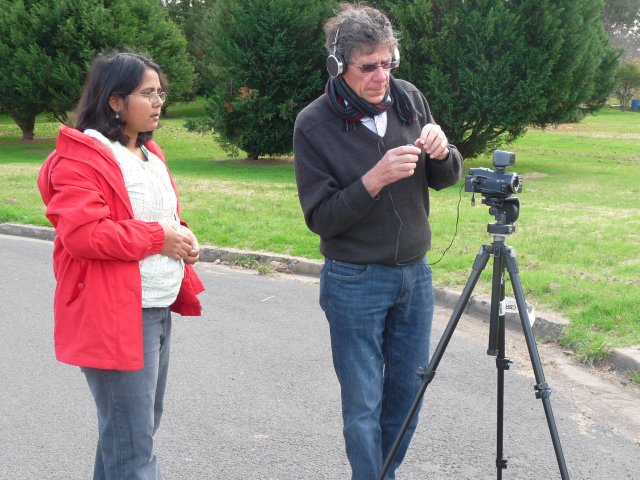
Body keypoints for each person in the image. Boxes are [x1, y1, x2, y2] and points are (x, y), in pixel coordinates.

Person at [293, 4, 463, 479]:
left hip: (416, 275)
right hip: (354, 279)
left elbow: (445, 178)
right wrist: (372, 180)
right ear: (338, 64)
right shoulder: (314, 124)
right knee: (363, 405)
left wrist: (444, 151)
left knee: (407, 396)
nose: (381, 76)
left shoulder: (410, 98)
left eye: (388, 62)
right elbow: (320, 218)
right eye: (368, 66)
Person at [37, 51, 205, 480]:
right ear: (114, 101)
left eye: (160, 92)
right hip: (117, 315)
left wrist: (182, 236)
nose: (159, 101)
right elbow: (84, 234)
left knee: (130, 435)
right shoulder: (82, 157)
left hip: (157, 308)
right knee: (134, 447)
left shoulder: (150, 154)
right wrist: (159, 237)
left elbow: (161, 214)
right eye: (147, 93)